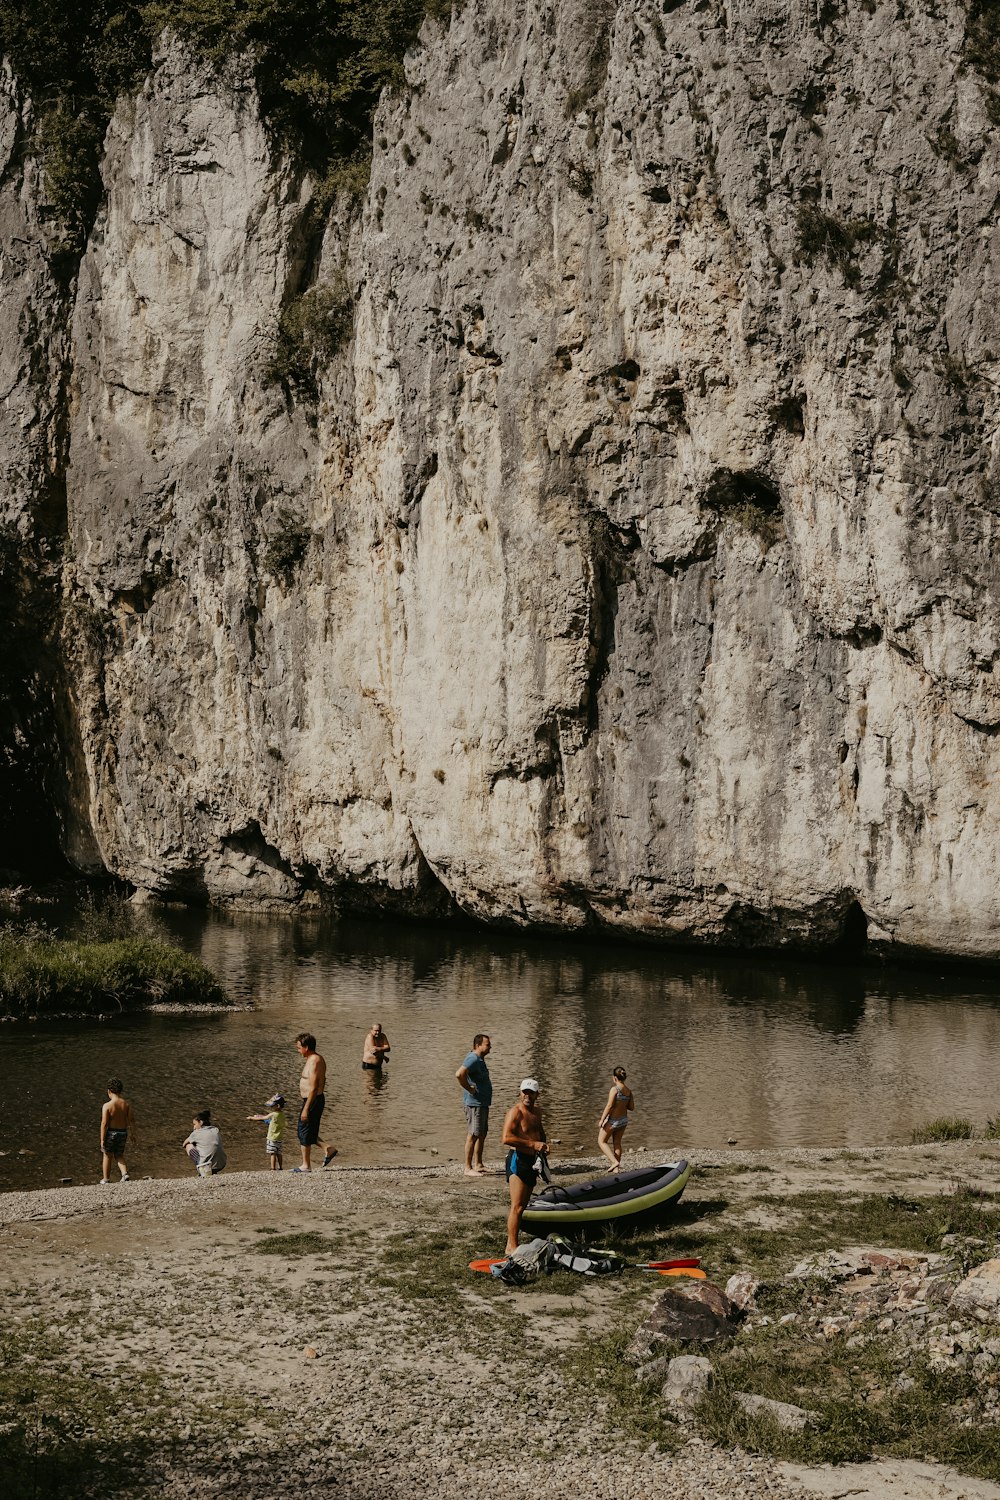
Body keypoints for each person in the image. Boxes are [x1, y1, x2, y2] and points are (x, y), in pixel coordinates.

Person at [501, 1079, 547, 1255]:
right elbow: (506, 1138)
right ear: (520, 1093)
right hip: (518, 1159)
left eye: (531, 1093)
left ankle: (510, 1243)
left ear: (537, 1095)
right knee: (517, 1206)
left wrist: (543, 1145)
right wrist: (533, 1144)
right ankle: (512, 1247)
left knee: (523, 1205)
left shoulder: (537, 1112)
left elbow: (539, 1131)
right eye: (525, 1092)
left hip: (531, 1161)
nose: (527, 1096)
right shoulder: (515, 1112)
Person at [294, 1033, 337, 1173]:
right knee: (307, 1130)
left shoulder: (315, 1061)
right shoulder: (311, 1059)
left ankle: (306, 1166)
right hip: (310, 1100)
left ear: (306, 1047)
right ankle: (328, 1149)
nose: (298, 1050)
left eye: (299, 1047)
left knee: (304, 1130)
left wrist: (306, 1109)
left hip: (313, 1100)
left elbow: (313, 1087)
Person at [456, 1033, 492, 1176]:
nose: (490, 1047)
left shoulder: (479, 1059)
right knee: (473, 1134)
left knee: (481, 1134)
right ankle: (467, 1168)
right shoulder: (473, 1058)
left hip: (482, 1103)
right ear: (478, 1045)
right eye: (487, 1044)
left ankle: (478, 1164)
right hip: (474, 1104)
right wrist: (469, 1089)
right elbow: (459, 1074)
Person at [597, 1065, 634, 1173]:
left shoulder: (615, 1089)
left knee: (601, 1141)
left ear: (614, 1078)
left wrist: (602, 1120)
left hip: (613, 1120)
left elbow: (609, 1106)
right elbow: (631, 1107)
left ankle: (614, 1162)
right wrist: (623, 1102)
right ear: (624, 1078)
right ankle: (616, 1169)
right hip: (623, 1120)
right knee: (617, 1143)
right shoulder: (629, 1091)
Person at [100, 1078, 136, 1185]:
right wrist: (133, 1134)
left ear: (109, 1091)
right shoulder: (126, 1104)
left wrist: (102, 1139)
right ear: (121, 1091)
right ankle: (125, 1174)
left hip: (111, 1133)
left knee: (107, 1155)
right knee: (119, 1154)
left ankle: (106, 1179)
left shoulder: (107, 1106)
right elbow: (131, 1121)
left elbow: (104, 1124)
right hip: (123, 1133)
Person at [183, 1109, 227, 1178]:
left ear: (200, 1122)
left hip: (206, 1165)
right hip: (220, 1165)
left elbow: (184, 1143)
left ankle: (202, 1170)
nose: (194, 1127)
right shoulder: (215, 1130)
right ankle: (212, 1170)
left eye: (195, 1124)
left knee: (188, 1145)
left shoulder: (196, 1133)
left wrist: (194, 1143)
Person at [248, 1093, 286, 1171]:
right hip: (279, 1137)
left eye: (272, 1106)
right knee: (279, 1153)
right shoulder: (282, 1115)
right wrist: (263, 1118)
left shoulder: (273, 1114)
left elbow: (265, 1117)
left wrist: (252, 1118)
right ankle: (281, 1167)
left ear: (277, 1106)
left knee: (273, 1153)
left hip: (272, 1138)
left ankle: (273, 1168)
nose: (271, 1107)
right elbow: (272, 1121)